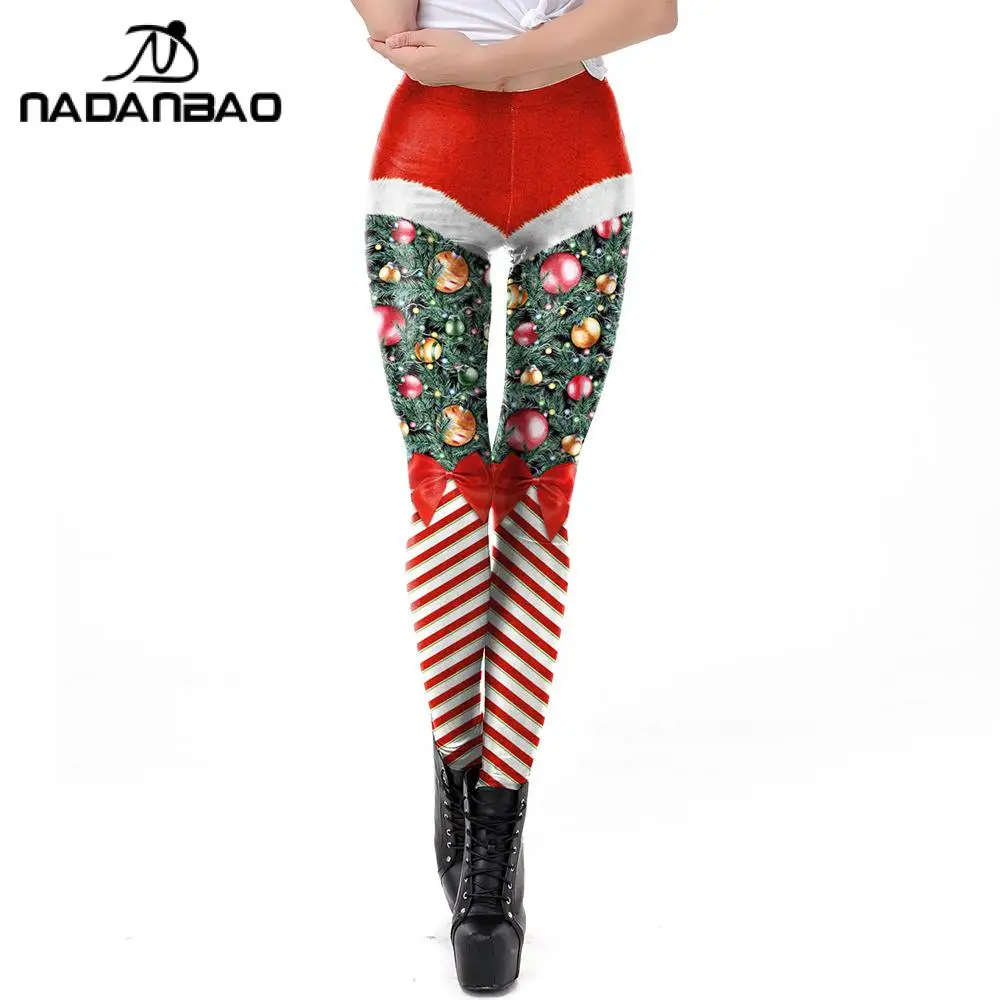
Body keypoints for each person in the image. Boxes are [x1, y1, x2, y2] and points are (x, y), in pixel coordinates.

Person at [353, 0, 678, 989]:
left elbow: (652, 11)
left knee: (538, 501)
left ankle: (494, 843)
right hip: (429, 162)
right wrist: (499, 65)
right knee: (450, 501)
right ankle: (460, 776)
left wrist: (494, 64)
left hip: (574, 164)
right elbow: (387, 28)